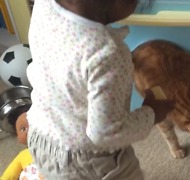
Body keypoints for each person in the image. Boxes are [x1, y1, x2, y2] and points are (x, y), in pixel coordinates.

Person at [26, 0, 174, 179]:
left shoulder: (44, 4)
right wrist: (151, 114)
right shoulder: (106, 53)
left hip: (41, 136)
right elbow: (106, 133)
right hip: (88, 161)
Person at [1, 110, 44, 180]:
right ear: (19, 139)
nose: (30, 130)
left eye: (33, 125)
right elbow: (8, 176)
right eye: (23, 128)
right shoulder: (22, 155)